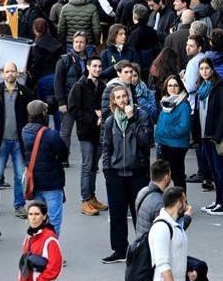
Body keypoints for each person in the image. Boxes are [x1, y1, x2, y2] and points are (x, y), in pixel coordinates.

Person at [100, 84, 152, 263]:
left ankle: (143, 249)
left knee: (140, 213)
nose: (123, 100)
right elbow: (106, 147)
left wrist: (132, 121)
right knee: (117, 214)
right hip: (116, 174)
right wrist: (107, 170)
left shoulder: (141, 116)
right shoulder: (109, 121)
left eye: (125, 96)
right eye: (119, 97)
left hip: (137, 172)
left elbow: (145, 141)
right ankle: (120, 249)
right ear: (113, 101)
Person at [0, 62, 34, 220]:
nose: (10, 74)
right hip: (0, 141)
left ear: (17, 73)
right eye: (7, 71)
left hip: (19, 141)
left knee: (21, 175)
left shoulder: (25, 93)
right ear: (2, 74)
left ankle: (19, 206)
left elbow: (32, 116)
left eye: (13, 71)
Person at [67, 55, 108, 215]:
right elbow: (73, 110)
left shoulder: (102, 86)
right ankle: (85, 200)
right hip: (85, 132)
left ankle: (92, 197)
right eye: (94, 66)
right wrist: (93, 118)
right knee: (87, 165)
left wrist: (102, 116)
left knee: (93, 167)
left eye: (99, 66)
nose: (97, 69)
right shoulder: (79, 86)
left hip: (99, 132)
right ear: (88, 67)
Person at [21, 100, 69, 235]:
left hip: (35, 183)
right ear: (43, 114)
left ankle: (37, 248)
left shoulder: (25, 131)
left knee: (38, 219)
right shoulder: (50, 134)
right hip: (52, 183)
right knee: (54, 220)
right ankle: (50, 250)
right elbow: (63, 154)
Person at [196, 57, 223, 215]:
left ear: (212, 70)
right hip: (205, 135)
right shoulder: (202, 87)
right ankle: (219, 201)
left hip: (216, 136)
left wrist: (218, 135)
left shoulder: (220, 88)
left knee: (221, 171)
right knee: (213, 171)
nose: (204, 71)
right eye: (201, 69)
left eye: (207, 68)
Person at [154, 74, 191, 190]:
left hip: (176, 146)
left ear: (180, 87)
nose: (173, 88)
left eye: (175, 85)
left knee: (177, 176)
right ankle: (170, 203)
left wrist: (165, 132)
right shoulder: (166, 102)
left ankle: (182, 204)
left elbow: (184, 127)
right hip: (163, 144)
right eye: (170, 85)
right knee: (163, 177)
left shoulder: (183, 105)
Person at [149, 186, 190, 281]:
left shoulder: (173, 224)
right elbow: (162, 263)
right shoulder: (161, 227)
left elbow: (177, 254)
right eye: (185, 202)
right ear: (179, 204)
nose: (187, 206)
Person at [18, 200, 63, 281]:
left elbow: (55, 266)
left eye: (37, 214)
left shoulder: (50, 239)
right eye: (30, 214)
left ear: (44, 216)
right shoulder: (29, 236)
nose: (33, 218)